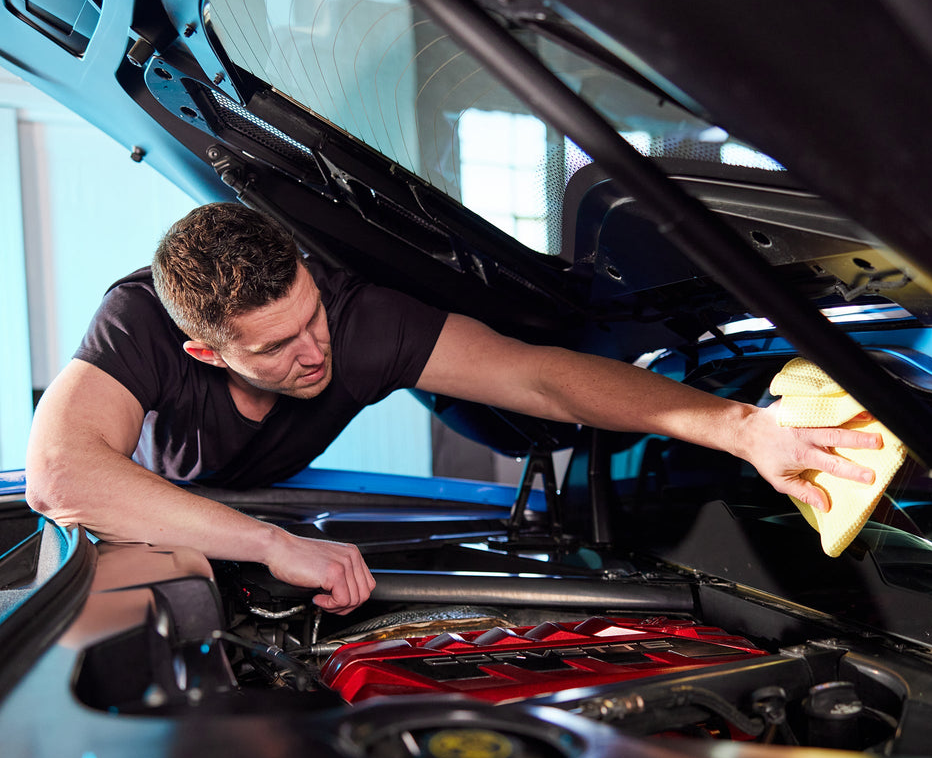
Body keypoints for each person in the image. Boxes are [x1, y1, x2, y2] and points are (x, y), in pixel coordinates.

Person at [26, 202, 881, 614]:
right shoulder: (138, 322)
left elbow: (543, 380)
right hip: (152, 522)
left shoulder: (361, 323)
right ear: (207, 354)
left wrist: (741, 428)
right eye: (277, 347)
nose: (315, 351)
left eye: (312, 315)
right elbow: (62, 475)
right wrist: (272, 543)